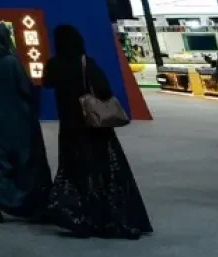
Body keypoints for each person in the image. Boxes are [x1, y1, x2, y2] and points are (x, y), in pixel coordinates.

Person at [42, 24, 152, 239]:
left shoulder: (54, 64)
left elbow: (47, 84)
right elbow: (104, 90)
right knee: (103, 168)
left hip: (70, 125)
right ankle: (106, 215)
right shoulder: (86, 62)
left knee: (74, 168)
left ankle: (79, 215)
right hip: (94, 125)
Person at [0, 23, 52, 223]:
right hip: (19, 113)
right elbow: (25, 87)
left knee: (6, 157)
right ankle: (23, 202)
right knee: (26, 156)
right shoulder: (11, 61)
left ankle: (2, 195)